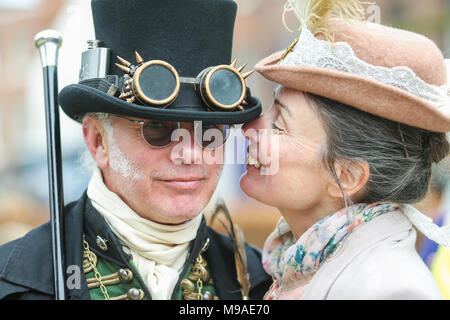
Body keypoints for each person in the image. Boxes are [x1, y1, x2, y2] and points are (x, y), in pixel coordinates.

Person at [0, 0, 272, 300]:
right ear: (98, 141)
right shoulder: (15, 284)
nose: (192, 153)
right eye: (157, 129)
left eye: (211, 132)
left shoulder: (261, 282)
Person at [240, 0, 450, 299]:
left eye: (279, 124)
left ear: (347, 175)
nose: (249, 129)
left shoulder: (388, 290)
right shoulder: (305, 264)